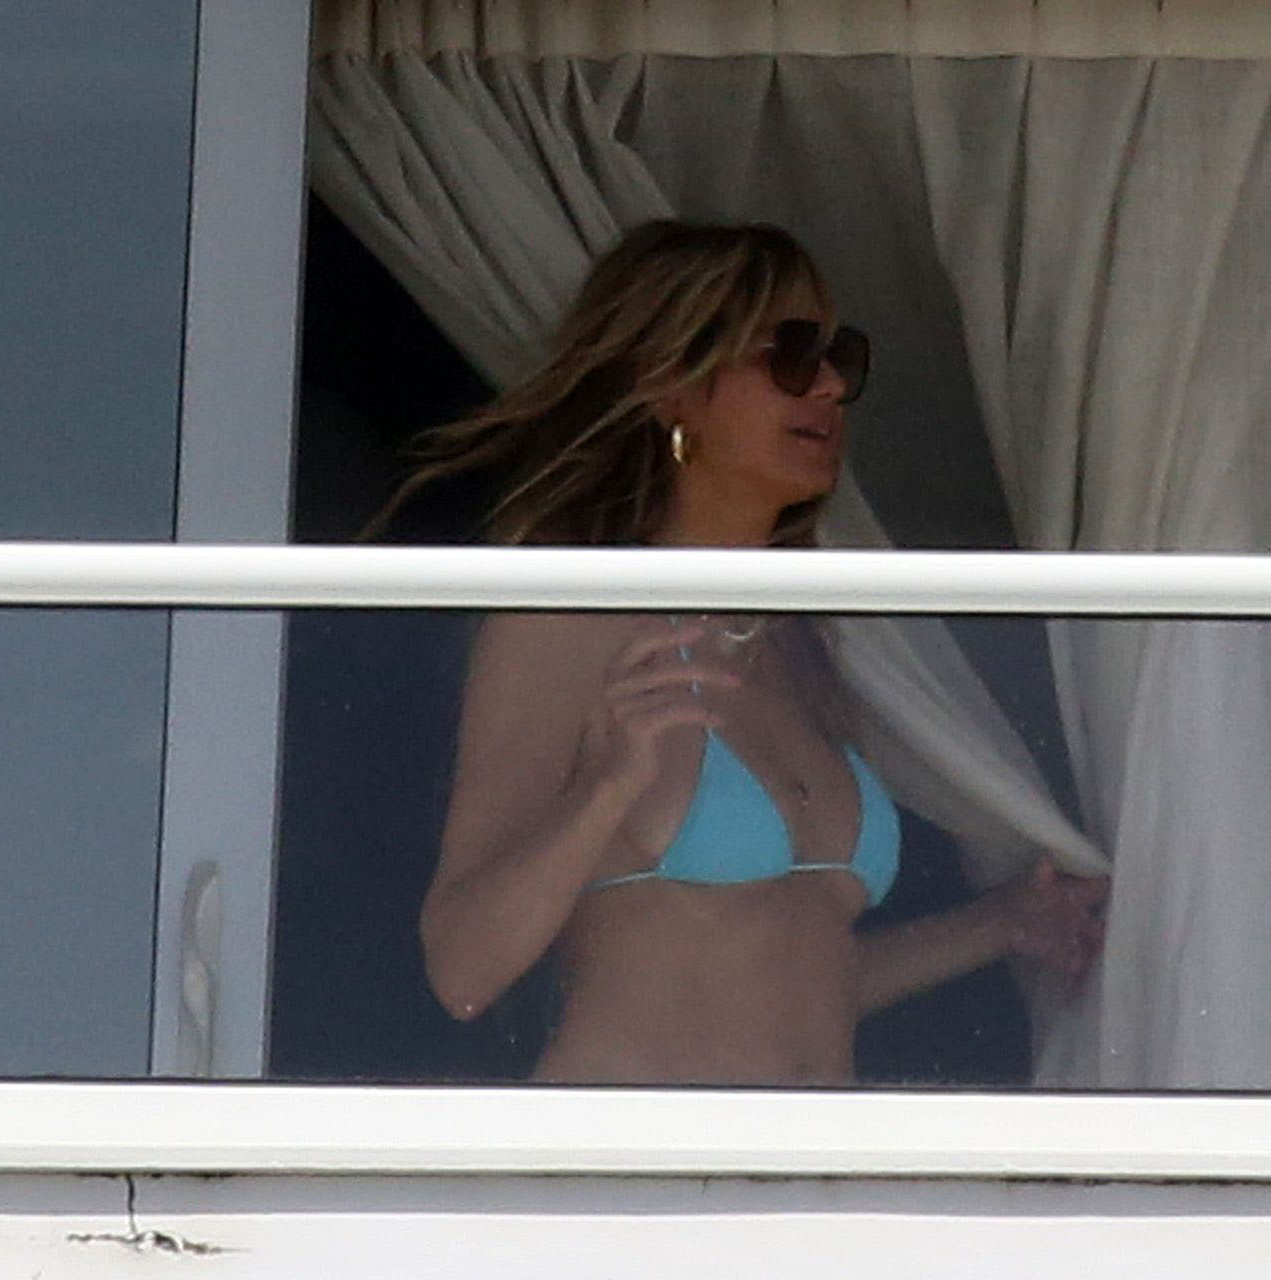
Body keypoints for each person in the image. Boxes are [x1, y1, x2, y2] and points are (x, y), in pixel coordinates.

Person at [384, 220, 1105, 1085]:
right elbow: (462, 970)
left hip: (804, 1155)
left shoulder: (806, 636)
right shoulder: (569, 618)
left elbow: (790, 970)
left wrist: (1000, 926)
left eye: (840, 358)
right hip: (627, 1152)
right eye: (790, 356)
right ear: (669, 386)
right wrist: (603, 790)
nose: (829, 385)